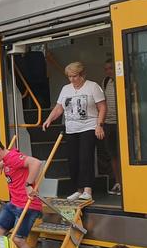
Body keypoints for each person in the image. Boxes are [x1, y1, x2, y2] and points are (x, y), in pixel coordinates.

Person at [42, 61, 107, 201]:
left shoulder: (92, 87)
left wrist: (99, 125)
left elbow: (102, 107)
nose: (72, 79)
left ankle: (88, 189)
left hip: (89, 126)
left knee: (85, 157)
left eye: (74, 76)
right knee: (73, 160)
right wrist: (49, 119)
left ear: (82, 75)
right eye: (69, 76)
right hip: (71, 128)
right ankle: (78, 189)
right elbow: (59, 107)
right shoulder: (66, 89)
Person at [102, 59, 121, 195]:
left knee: (123, 154)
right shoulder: (106, 82)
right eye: (106, 69)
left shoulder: (122, 80)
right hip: (109, 123)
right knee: (112, 154)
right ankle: (118, 181)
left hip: (122, 123)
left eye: (110, 68)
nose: (108, 71)